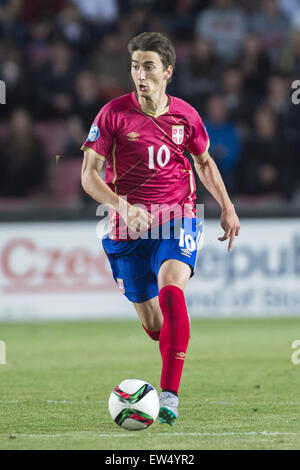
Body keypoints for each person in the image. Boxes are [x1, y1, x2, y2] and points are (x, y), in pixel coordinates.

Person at [81, 32, 240, 426]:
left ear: (167, 71)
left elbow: (203, 163)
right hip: (126, 229)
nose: (140, 74)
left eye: (149, 66)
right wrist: (122, 206)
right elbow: (89, 176)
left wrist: (227, 205)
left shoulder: (186, 115)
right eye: (135, 66)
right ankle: (171, 345)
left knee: (172, 289)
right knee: (156, 326)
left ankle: (169, 395)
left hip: (177, 216)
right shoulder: (112, 114)